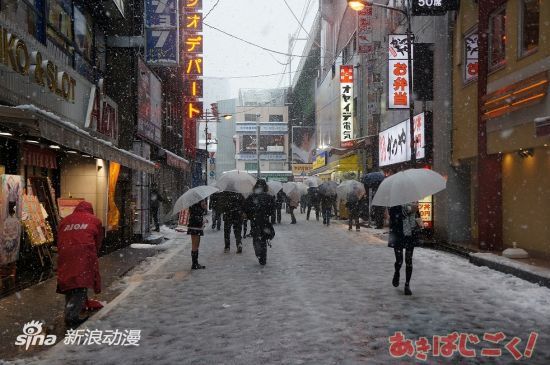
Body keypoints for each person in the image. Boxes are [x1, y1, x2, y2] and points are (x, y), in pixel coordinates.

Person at [56, 201, 103, 327]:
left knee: (70, 284)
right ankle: (71, 317)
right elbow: (97, 242)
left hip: (65, 254)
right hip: (84, 253)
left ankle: (69, 311)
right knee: (81, 284)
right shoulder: (95, 221)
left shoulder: (65, 221)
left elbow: (59, 239)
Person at [389, 203, 420, 296]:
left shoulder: (414, 203)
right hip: (398, 235)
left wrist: (417, 217)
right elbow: (393, 219)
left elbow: (417, 218)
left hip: (411, 235)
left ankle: (407, 285)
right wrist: (407, 211)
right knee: (399, 261)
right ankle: (397, 272)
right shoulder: (395, 204)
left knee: (409, 260)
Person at [244, 179, 276, 265]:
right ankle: (263, 257)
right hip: (264, 221)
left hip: (255, 221)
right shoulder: (269, 197)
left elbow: (246, 208)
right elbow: (272, 211)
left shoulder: (252, 197)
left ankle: (259, 254)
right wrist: (266, 214)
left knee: (256, 238)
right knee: (264, 238)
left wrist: (251, 215)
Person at [188, 199, 207, 270]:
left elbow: (198, 214)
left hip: (197, 226)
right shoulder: (194, 204)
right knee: (195, 245)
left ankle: (195, 263)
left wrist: (203, 208)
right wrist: (203, 208)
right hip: (194, 226)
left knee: (196, 245)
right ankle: (194, 264)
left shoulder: (196, 203)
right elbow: (196, 215)